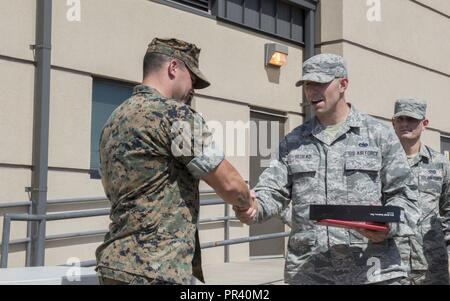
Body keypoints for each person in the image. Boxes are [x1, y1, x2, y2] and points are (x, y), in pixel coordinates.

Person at [235, 53, 419, 285]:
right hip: (311, 272)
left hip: (371, 270)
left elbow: (406, 195)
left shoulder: (378, 136)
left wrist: (389, 226)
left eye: (320, 83)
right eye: (307, 84)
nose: (312, 91)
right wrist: (253, 206)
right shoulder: (293, 142)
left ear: (343, 84)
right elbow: (272, 191)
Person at [95, 38, 256, 285]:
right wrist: (246, 202)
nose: (193, 88)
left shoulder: (114, 119)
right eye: (192, 78)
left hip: (114, 267)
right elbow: (229, 184)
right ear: (173, 68)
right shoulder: (174, 115)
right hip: (156, 269)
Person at [392, 99, 450, 285]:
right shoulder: (382, 162)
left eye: (411, 119)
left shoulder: (441, 164)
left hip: (431, 263)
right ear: (393, 123)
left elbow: (448, 211)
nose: (405, 124)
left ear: (424, 124)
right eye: (400, 119)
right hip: (391, 261)